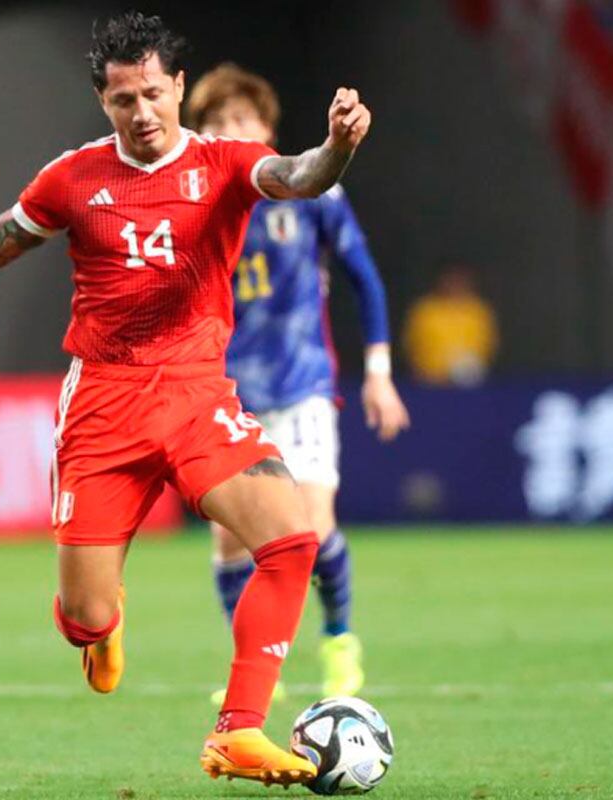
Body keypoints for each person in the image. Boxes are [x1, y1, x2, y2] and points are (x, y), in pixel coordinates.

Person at [0, 12, 373, 788]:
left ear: (178, 87)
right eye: (122, 101)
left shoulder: (224, 162)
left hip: (194, 391)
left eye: (152, 94)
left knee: (290, 539)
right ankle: (100, 625)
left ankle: (240, 730)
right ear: (103, 102)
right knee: (85, 613)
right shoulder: (73, 178)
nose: (141, 113)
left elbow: (301, 176)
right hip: (103, 406)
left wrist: (339, 145)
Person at [185, 64, 410, 702]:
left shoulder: (311, 191)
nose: (231, 130)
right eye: (217, 121)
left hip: (301, 384)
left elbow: (364, 277)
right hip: (226, 394)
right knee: (230, 535)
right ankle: (255, 662)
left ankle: (339, 639)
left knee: (309, 530)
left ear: (266, 127)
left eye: (242, 119)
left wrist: (378, 373)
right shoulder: (195, 205)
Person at [403, 263, 498, 385]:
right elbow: (411, 344)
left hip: (470, 382)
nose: (455, 284)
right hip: (428, 383)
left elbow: (488, 345)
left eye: (460, 280)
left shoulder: (479, 311)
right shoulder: (424, 309)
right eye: (451, 280)